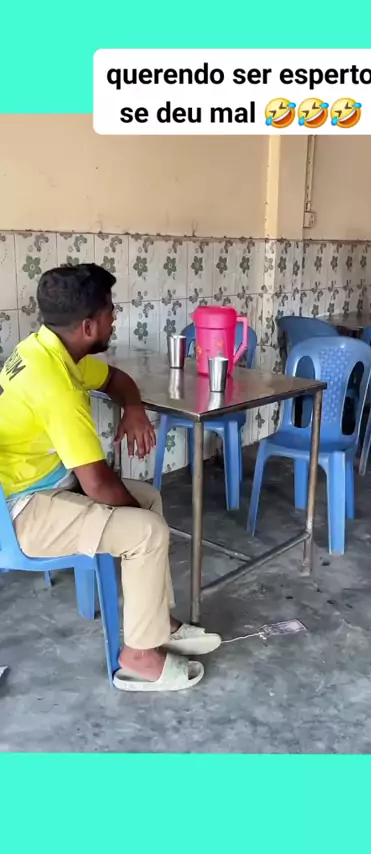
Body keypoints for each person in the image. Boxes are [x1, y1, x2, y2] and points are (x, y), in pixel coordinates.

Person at [0, 263, 221, 692]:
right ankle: (138, 658)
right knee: (146, 530)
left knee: (149, 500)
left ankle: (157, 624)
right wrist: (141, 521)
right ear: (88, 326)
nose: (114, 318)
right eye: (110, 312)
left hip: (42, 483)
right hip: (17, 512)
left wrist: (133, 408)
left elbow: (116, 378)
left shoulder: (47, 349)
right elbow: (98, 484)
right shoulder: (56, 386)